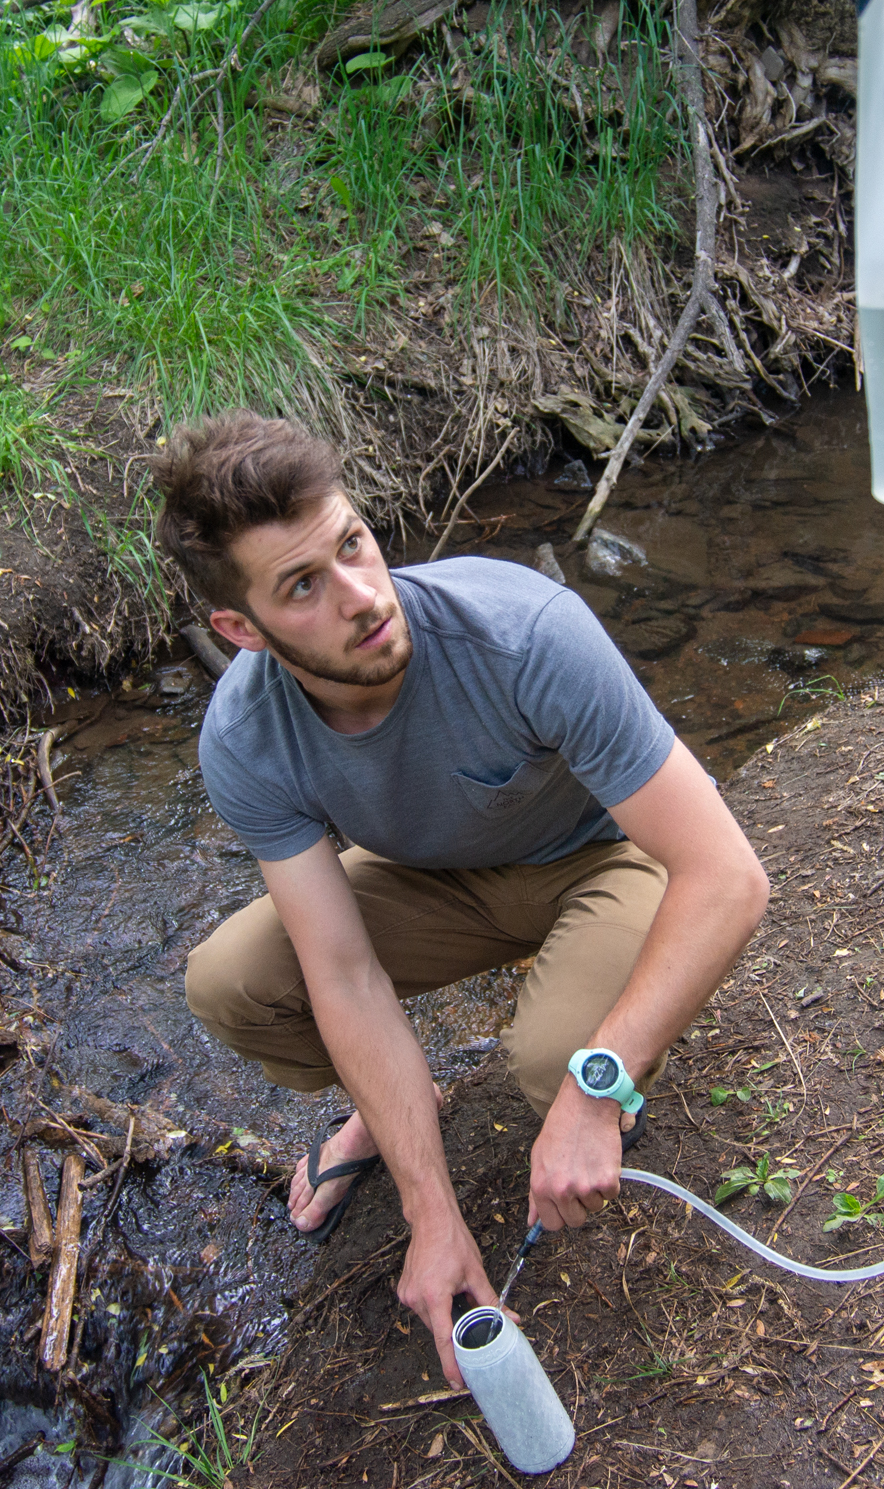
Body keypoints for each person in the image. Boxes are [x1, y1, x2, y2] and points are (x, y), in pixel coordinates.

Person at [155, 410, 768, 1392]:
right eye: (302, 587)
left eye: (353, 543)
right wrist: (428, 1211)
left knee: (556, 1068)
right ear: (241, 628)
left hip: (603, 863)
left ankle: (594, 1063)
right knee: (233, 983)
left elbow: (728, 875)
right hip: (436, 880)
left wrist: (596, 1086)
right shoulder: (245, 740)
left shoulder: (520, 633)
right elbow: (344, 973)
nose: (362, 597)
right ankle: (396, 1109)